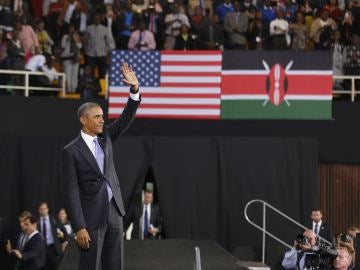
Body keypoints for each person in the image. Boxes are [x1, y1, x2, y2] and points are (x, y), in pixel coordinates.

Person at [62, 62, 140, 270]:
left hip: (114, 212)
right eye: (97, 117)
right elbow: (71, 191)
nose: (101, 120)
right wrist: (79, 226)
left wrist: (134, 90)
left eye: (102, 116)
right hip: (90, 218)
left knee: (115, 265)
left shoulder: (106, 136)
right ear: (83, 120)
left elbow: (125, 119)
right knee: (90, 266)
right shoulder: (71, 151)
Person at [37, 202, 69, 270]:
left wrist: (65, 242)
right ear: (38, 211)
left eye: (44, 208)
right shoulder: (37, 222)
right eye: (41, 209)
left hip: (54, 248)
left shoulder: (54, 219)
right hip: (42, 249)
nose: (43, 211)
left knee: (57, 267)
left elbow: (64, 231)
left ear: (48, 209)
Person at [84, 13, 114, 79]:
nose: (96, 20)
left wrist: (108, 52)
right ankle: (91, 87)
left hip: (102, 54)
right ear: (93, 19)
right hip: (91, 54)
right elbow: (85, 41)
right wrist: (86, 50)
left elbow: (109, 42)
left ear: (100, 20)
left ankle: (102, 87)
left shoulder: (105, 29)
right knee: (90, 72)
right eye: (95, 19)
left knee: (102, 72)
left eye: (98, 19)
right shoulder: (89, 28)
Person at [61, 24, 82, 93]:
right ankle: (68, 90)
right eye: (70, 29)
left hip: (76, 58)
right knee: (68, 75)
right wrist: (68, 39)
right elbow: (62, 45)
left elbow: (80, 46)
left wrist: (75, 39)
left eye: (72, 30)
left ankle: (74, 90)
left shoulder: (77, 36)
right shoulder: (65, 36)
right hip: (67, 58)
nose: (71, 31)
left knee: (74, 75)